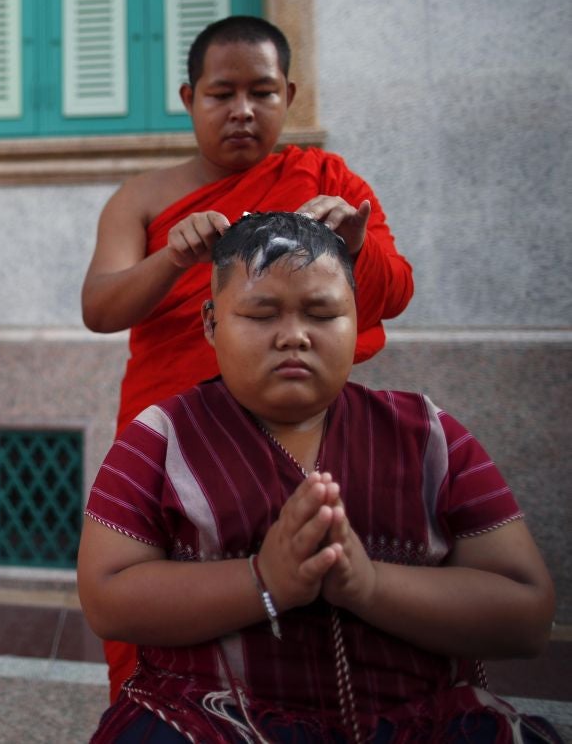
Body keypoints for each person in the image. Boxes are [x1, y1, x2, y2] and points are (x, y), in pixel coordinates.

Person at [78, 212, 561, 743]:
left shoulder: (429, 437)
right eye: (261, 314)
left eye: (322, 313)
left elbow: (527, 616)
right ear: (211, 324)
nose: (294, 337)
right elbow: (107, 598)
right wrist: (263, 580)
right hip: (209, 718)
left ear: (357, 318)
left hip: (424, 719)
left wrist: (369, 586)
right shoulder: (161, 438)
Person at [81, 15, 415, 697]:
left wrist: (354, 247)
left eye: (261, 92)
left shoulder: (328, 182)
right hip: (175, 429)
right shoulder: (141, 198)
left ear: (288, 95)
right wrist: (173, 256)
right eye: (221, 93)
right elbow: (100, 308)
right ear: (189, 98)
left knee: (309, 613)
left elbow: (396, 293)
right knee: (158, 602)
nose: (242, 110)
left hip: (302, 433)